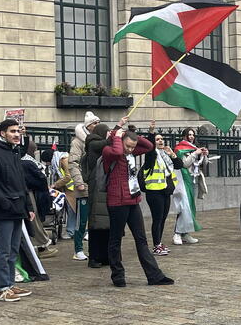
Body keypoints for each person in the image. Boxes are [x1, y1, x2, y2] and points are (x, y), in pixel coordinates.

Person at [103, 117, 174, 287]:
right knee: (115, 240)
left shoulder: (131, 151)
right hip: (117, 201)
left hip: (133, 199)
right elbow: (117, 152)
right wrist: (117, 135)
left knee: (141, 239)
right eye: (128, 146)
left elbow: (148, 146)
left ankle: (154, 275)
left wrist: (132, 134)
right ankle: (118, 276)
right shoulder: (109, 150)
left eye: (132, 147)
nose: (130, 149)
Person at [0, 118, 36, 301]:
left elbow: (21, 182)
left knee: (13, 250)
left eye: (18, 131)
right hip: (3, 210)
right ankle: (2, 288)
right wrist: (4, 203)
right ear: (2, 133)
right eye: (12, 131)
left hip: (17, 207)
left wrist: (27, 206)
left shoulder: (14, 152)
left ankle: (10, 284)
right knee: (3, 250)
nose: (17, 135)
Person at [142, 120, 184, 256]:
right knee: (157, 218)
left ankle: (159, 243)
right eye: (157, 139)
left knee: (163, 218)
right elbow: (149, 148)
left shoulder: (165, 155)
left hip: (166, 191)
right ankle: (156, 245)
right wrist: (151, 132)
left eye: (162, 139)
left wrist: (172, 153)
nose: (160, 141)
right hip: (154, 191)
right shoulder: (152, 156)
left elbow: (179, 165)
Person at [68, 111, 100, 260]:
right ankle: (78, 249)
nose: (97, 125)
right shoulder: (77, 142)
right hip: (84, 186)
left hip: (97, 185)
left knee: (96, 219)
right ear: (88, 126)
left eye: (98, 123)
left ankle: (95, 247)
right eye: (94, 123)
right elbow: (73, 163)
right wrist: (79, 182)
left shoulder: (98, 140)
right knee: (82, 220)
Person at [172, 127, 208, 245]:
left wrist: (204, 155)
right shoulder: (180, 148)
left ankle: (185, 233)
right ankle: (177, 233)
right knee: (183, 207)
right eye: (189, 134)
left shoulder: (194, 148)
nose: (192, 136)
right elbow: (185, 164)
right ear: (184, 136)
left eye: (193, 134)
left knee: (191, 207)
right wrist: (195, 154)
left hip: (193, 180)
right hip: (183, 179)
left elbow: (203, 164)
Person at [21, 140, 57, 258]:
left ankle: (41, 246)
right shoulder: (28, 162)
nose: (36, 152)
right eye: (35, 149)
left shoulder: (23, 161)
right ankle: (42, 246)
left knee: (34, 220)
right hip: (31, 194)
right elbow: (39, 179)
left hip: (30, 193)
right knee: (34, 220)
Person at [84, 123, 111, 268]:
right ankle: (94, 257)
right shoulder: (93, 144)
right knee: (96, 225)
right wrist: (118, 129)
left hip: (105, 188)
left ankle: (105, 256)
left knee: (106, 225)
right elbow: (107, 142)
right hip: (96, 190)